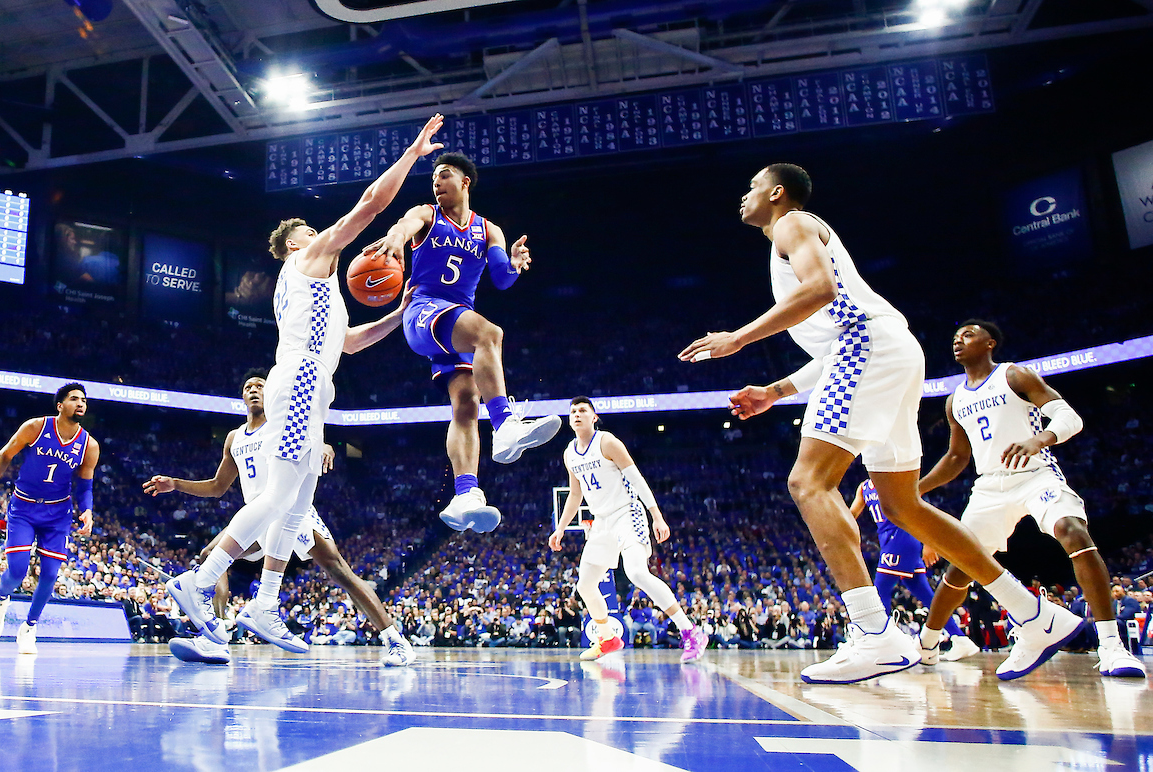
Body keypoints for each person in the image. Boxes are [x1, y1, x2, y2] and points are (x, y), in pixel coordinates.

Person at [678, 163, 1084, 683]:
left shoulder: (791, 224)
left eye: (752, 186)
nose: (743, 196)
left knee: (808, 482)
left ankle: (875, 634)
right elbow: (832, 341)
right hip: (885, 350)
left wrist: (738, 338)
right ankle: (1034, 615)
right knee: (900, 503)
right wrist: (775, 392)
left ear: (777, 194)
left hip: (867, 348)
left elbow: (823, 291)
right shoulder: (790, 237)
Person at [167, 114, 445, 654]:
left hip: (313, 388)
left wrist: (400, 311)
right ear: (296, 248)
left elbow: (351, 344)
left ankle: (266, 604)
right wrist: (412, 155)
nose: (323, 238)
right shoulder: (308, 263)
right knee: (277, 495)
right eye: (311, 235)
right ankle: (199, 582)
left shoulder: (322, 293)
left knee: (297, 504)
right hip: (296, 384)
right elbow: (370, 204)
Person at [915, 320, 1145, 678]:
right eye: (955, 337)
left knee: (1074, 532)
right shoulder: (954, 400)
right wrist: (916, 489)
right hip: (990, 485)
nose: (958, 340)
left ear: (990, 343)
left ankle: (1112, 647)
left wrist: (1039, 440)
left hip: (1035, 474)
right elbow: (957, 458)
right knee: (959, 567)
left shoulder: (1014, 376)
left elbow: (1070, 417)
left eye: (969, 334)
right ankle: (928, 646)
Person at [144, 369, 415, 666]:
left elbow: (312, 436)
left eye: (260, 385)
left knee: (338, 570)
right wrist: (176, 483)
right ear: (242, 396)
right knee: (210, 554)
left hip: (288, 510)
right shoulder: (234, 438)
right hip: (256, 516)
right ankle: (215, 639)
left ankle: (394, 640)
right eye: (248, 386)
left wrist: (324, 446)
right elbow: (217, 487)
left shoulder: (281, 423)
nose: (254, 390)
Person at [372, 151, 561, 533]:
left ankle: (465, 494)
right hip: (423, 310)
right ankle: (506, 425)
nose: (436, 183)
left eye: (444, 176)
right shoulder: (427, 214)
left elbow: (502, 280)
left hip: (457, 322)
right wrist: (394, 239)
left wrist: (514, 263)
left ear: (464, 182)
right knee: (490, 334)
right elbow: (403, 224)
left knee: (466, 404)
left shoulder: (488, 230)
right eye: (433, 179)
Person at [549, 396, 707, 662]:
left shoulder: (607, 441)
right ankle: (608, 638)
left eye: (582, 410)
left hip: (627, 512)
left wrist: (656, 515)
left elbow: (637, 478)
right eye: (573, 411)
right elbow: (575, 495)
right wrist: (560, 528)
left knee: (636, 572)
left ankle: (690, 631)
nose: (576, 414)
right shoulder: (569, 453)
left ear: (594, 417)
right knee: (586, 585)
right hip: (601, 520)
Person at [0, 382, 100, 655]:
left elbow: (85, 485)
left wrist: (87, 509)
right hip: (24, 507)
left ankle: (29, 627)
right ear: (60, 405)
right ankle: (0, 598)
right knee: (17, 571)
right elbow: (4, 456)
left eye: (84, 400)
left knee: (50, 574)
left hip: (58, 513)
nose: (81, 403)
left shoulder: (89, 444)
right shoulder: (36, 427)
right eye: (74, 399)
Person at [850, 478, 978, 661]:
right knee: (925, 594)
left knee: (880, 592)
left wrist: (929, 541)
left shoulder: (893, 478)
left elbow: (917, 508)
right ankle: (959, 638)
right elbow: (852, 513)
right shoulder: (863, 487)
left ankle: (882, 646)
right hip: (889, 539)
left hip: (901, 537)